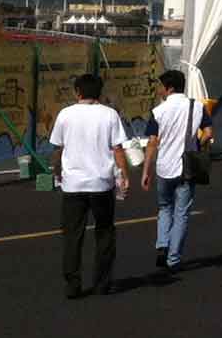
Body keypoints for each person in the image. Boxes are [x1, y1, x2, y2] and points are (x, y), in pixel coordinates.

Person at [48, 72, 130, 299]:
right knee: (105, 233)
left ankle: (72, 284)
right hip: (101, 183)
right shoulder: (109, 114)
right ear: (100, 92)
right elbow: (117, 149)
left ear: (78, 92)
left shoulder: (65, 114)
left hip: (73, 184)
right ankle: (102, 283)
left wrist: (57, 172)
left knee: (72, 236)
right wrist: (123, 175)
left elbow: (58, 149)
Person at [141, 68, 207, 282]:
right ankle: (173, 258)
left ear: (168, 88)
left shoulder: (158, 111)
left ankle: (162, 243)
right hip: (187, 167)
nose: (159, 89)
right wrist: (196, 145)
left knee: (164, 208)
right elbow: (208, 132)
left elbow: (152, 142)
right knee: (181, 214)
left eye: (160, 86)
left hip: (164, 167)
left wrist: (146, 170)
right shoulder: (197, 107)